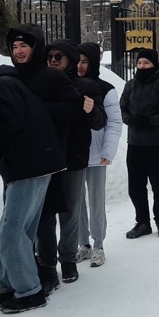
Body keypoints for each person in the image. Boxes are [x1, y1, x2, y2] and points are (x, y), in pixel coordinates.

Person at [0, 24, 79, 313]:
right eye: (14, 47)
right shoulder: (10, 77)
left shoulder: (49, 76)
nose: (19, 51)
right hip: (22, 159)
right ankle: (4, 285)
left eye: (24, 46)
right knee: (19, 226)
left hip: (42, 155)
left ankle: (41, 278)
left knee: (27, 225)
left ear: (36, 47)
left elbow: (73, 107)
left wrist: (36, 109)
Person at [36, 40, 106, 286]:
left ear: (71, 60)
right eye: (50, 57)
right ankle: (45, 262)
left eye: (59, 57)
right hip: (43, 159)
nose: (53, 61)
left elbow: (100, 122)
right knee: (43, 214)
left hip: (73, 158)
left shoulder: (85, 86)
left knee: (69, 212)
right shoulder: (39, 84)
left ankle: (67, 260)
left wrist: (90, 110)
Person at [119, 48, 159, 239]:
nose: (142, 66)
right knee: (135, 186)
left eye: (146, 63)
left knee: (158, 185)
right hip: (135, 143)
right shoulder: (130, 86)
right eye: (139, 63)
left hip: (157, 143)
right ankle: (142, 223)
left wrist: (150, 120)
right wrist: (130, 120)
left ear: (155, 64)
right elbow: (123, 108)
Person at [75, 42, 123, 267]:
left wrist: (108, 151)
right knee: (75, 201)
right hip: (73, 153)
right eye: (77, 60)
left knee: (95, 200)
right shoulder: (68, 84)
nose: (80, 65)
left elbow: (114, 123)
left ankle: (98, 245)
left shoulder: (106, 89)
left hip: (96, 153)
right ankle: (82, 243)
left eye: (85, 61)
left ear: (93, 62)